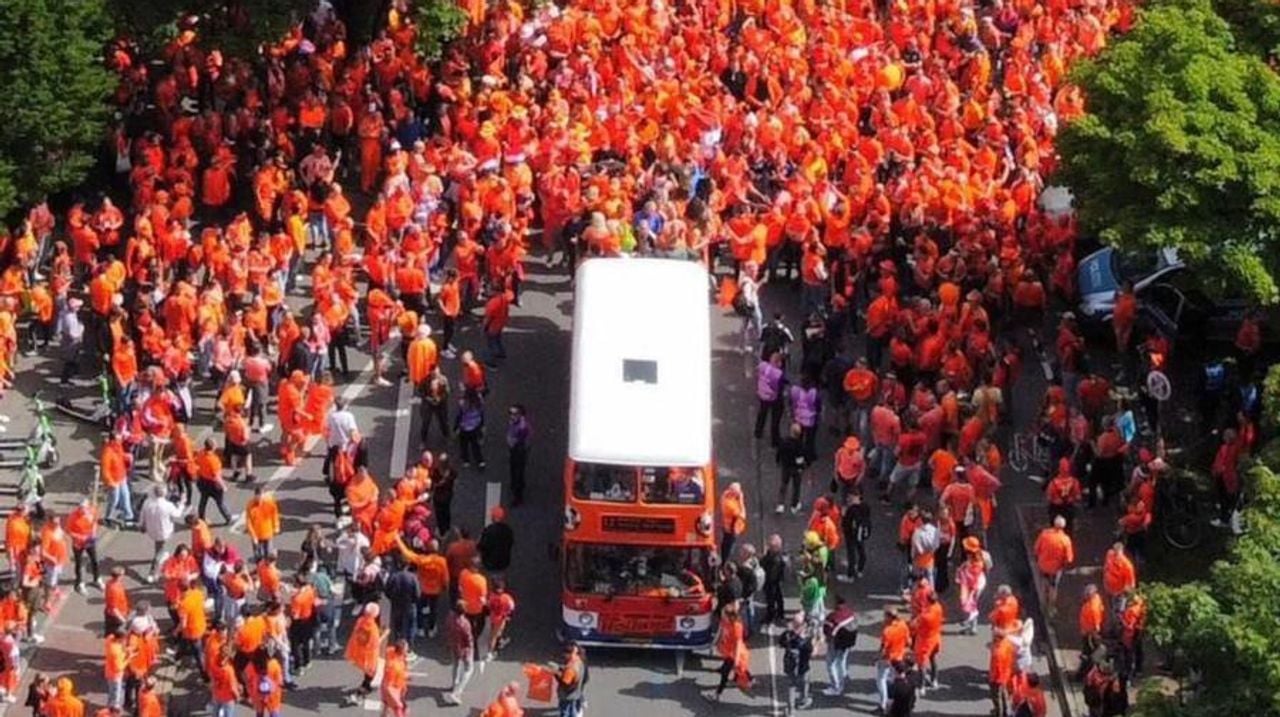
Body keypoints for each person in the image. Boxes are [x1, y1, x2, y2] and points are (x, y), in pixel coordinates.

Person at [139, 485, 185, 583]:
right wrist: (181, 504)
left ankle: (161, 555)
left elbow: (142, 515)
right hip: (164, 531)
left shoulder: (147, 502)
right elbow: (177, 514)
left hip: (151, 530)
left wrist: (141, 525)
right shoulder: (168, 505)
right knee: (160, 550)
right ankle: (152, 573)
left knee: (159, 546)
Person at [1033, 516, 1074, 617]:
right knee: (1053, 588)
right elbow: (1068, 558)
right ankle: (1050, 608)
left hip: (1042, 565)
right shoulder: (1065, 540)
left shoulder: (1044, 534)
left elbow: (1036, 549)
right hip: (1055, 569)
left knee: (1043, 585)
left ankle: (1042, 605)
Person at [345, 602, 384, 705]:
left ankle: (364, 688)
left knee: (368, 674)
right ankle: (362, 691)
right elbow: (375, 644)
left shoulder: (360, 621)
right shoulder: (373, 628)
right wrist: (384, 635)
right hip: (369, 656)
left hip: (359, 651)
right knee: (370, 674)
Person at [822, 595, 858, 696]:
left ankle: (835, 686)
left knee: (831, 664)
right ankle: (844, 678)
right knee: (842, 661)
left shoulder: (832, 616)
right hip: (847, 643)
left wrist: (827, 640)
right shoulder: (851, 614)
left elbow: (826, 631)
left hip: (835, 643)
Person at [876, 608, 911, 713]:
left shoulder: (887, 631)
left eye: (885, 616)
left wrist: (877, 658)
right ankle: (893, 702)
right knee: (894, 679)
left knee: (881, 679)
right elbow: (908, 641)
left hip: (887, 658)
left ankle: (883, 704)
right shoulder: (903, 625)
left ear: (889, 617)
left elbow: (883, 649)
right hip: (899, 657)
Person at [779, 612, 814, 710]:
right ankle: (803, 700)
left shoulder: (787, 634)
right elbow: (810, 651)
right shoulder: (806, 639)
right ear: (803, 624)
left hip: (790, 665)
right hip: (803, 666)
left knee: (791, 686)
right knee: (805, 682)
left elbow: (781, 642)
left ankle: (790, 710)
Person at [444, 601, 475, 705]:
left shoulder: (449, 618)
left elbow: (447, 630)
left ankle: (454, 684)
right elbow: (468, 638)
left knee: (456, 665)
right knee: (469, 669)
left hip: (453, 645)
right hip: (464, 648)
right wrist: (470, 649)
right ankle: (457, 692)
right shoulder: (465, 623)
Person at [755, 352, 786, 446]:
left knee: (762, 413)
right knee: (775, 418)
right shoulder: (778, 374)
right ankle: (775, 439)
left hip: (762, 394)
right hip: (773, 397)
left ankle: (758, 431)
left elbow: (758, 373)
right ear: (778, 362)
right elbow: (780, 388)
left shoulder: (763, 366)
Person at [775, 423, 807, 514]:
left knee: (784, 485)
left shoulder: (784, 442)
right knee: (796, 487)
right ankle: (794, 505)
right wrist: (802, 467)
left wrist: (778, 461)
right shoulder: (800, 445)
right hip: (796, 468)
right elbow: (801, 458)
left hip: (786, 466)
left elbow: (779, 452)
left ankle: (780, 505)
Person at [552, 641, 587, 717]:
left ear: (569, 654)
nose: (563, 656)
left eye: (564, 654)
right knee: (572, 709)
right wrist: (561, 668)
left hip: (567, 695)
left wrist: (556, 673)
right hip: (575, 693)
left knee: (565, 711)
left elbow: (565, 683)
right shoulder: (579, 661)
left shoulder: (570, 669)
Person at [506, 405, 531, 505]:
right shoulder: (515, 422)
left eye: (515, 414)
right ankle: (515, 485)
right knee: (513, 468)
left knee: (518, 473)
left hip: (519, 451)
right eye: (510, 413)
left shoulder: (522, 427)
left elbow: (519, 441)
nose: (512, 416)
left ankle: (518, 497)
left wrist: (512, 444)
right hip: (515, 449)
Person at [479, 506, 515, 573]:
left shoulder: (489, 530)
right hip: (504, 562)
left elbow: (482, 546)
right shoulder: (508, 530)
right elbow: (511, 542)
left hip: (490, 562)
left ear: (493, 517)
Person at [381, 639, 410, 717]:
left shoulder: (390, 651)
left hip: (387, 685)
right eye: (406, 648)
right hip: (393, 689)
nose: (408, 649)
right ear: (401, 650)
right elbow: (400, 676)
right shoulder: (395, 666)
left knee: (387, 703)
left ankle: (384, 714)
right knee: (398, 708)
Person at [720, 482, 747, 562]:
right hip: (732, 529)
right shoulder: (730, 505)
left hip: (728, 527)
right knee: (729, 545)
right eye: (738, 491)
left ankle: (724, 558)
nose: (740, 493)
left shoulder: (726, 495)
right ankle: (726, 561)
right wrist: (741, 500)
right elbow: (743, 515)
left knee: (725, 543)